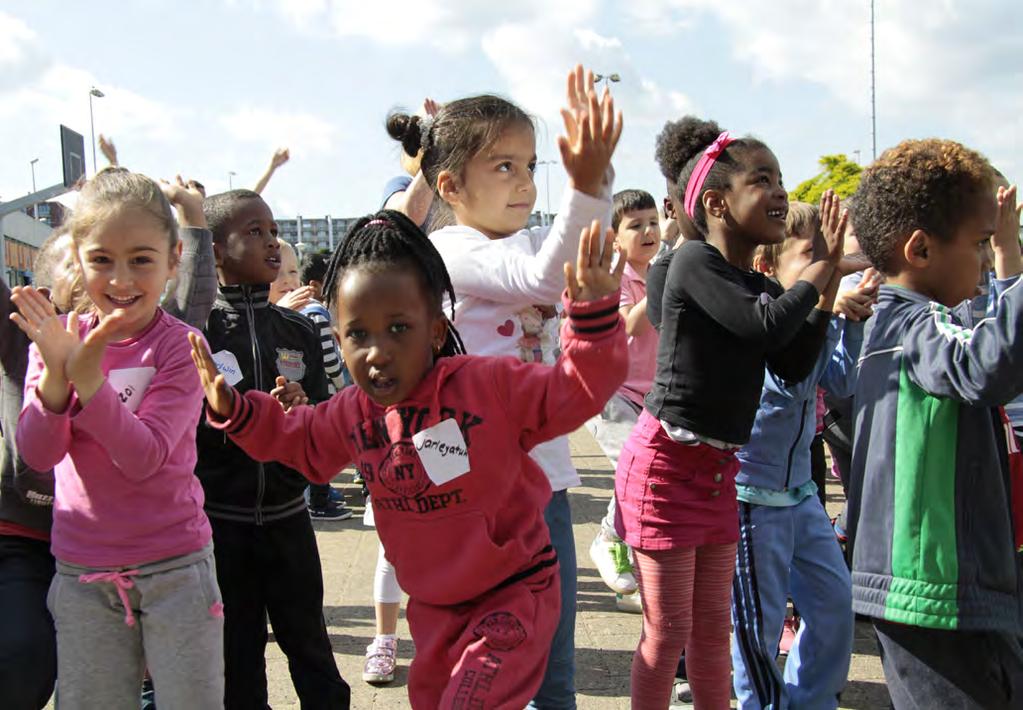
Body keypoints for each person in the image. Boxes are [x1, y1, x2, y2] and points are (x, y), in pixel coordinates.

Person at [188, 212, 628, 708]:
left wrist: (592, 317)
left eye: (399, 328)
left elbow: (574, 391)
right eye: (358, 334)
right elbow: (298, 440)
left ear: (437, 331)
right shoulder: (351, 413)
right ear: (338, 338)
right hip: (434, 609)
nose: (378, 352)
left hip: (511, 593)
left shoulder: (486, 387)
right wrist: (237, 410)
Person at [387, 64, 621, 709]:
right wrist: (585, 185)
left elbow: (573, 257)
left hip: (538, 479)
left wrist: (594, 182)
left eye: (530, 166)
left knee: (555, 666)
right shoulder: (456, 249)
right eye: (503, 166)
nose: (523, 182)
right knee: (487, 665)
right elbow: (549, 280)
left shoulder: (523, 241)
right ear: (450, 186)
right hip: (477, 497)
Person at [616, 128, 843, 707]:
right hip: (665, 471)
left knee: (712, 636)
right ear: (716, 203)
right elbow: (762, 326)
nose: (778, 191)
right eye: (761, 179)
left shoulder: (757, 283)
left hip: (718, 474)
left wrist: (828, 280)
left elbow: (790, 363)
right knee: (667, 636)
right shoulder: (693, 261)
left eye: (780, 179)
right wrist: (818, 274)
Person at [11, 169, 223, 708]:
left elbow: (144, 456)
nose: (121, 278)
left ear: (174, 259)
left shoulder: (181, 346)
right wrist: (57, 378)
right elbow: (37, 454)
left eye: (142, 259)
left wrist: (88, 379)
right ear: (78, 259)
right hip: (83, 569)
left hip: (175, 566)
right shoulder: (55, 342)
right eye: (102, 259)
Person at [846, 139, 1023, 710]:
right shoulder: (911, 325)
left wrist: (1007, 259)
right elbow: (984, 365)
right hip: (931, 593)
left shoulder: (910, 323)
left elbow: (975, 332)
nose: (984, 261)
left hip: (943, 591)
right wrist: (1017, 280)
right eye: (980, 245)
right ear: (920, 249)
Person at [197, 189, 350, 708]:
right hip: (221, 525)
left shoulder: (298, 329)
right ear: (215, 250)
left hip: (289, 519)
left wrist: (303, 405)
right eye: (254, 232)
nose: (271, 242)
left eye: (272, 230)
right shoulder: (198, 331)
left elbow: (325, 419)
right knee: (237, 658)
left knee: (311, 647)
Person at [730, 196, 877, 709]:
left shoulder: (822, 314)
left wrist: (849, 323)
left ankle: (813, 699)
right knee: (758, 627)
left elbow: (840, 380)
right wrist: (825, 306)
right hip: (751, 499)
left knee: (835, 606)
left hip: (801, 494)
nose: (826, 266)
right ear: (768, 264)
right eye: (812, 254)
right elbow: (785, 386)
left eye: (829, 255)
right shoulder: (761, 316)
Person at [586, 188, 661, 612]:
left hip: (653, 396)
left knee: (646, 481)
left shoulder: (660, 270)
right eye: (636, 226)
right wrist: (664, 281)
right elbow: (631, 323)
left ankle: (629, 580)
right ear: (616, 238)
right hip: (611, 394)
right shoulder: (617, 277)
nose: (648, 231)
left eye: (653, 222)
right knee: (636, 471)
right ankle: (608, 539)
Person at [269, 241, 353, 521]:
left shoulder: (306, 317)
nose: (288, 280)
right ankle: (319, 498)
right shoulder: (263, 319)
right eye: (279, 271)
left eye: (293, 272)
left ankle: (318, 497)